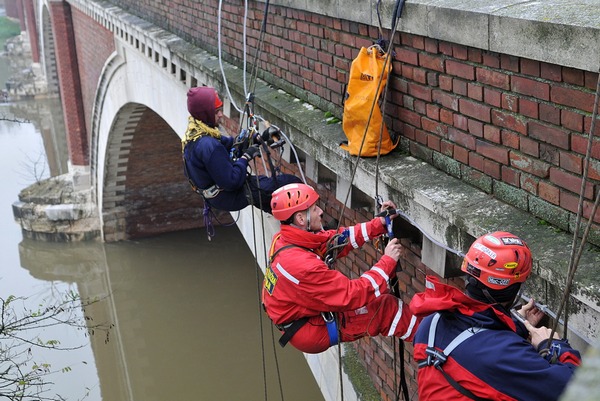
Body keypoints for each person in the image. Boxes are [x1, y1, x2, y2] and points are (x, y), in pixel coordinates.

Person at [411, 231, 581, 401]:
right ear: (513, 290)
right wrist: (555, 345)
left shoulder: (431, 323)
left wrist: (514, 326)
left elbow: (474, 346)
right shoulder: (503, 354)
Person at [262, 183, 419, 354]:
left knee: (379, 293)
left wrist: (378, 224)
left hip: (299, 315)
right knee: (386, 308)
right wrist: (388, 261)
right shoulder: (302, 266)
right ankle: (432, 344)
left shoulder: (285, 239)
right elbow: (352, 295)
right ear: (300, 219)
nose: (320, 211)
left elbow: (336, 241)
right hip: (310, 329)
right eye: (314, 209)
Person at [182, 86, 301, 213]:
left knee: (269, 199)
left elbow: (232, 145)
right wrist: (245, 158)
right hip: (229, 195)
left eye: (220, 110)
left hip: (218, 195)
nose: (221, 114)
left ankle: (286, 217)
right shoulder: (209, 146)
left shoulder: (196, 132)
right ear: (204, 113)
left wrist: (259, 138)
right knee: (291, 183)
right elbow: (232, 181)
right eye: (216, 112)